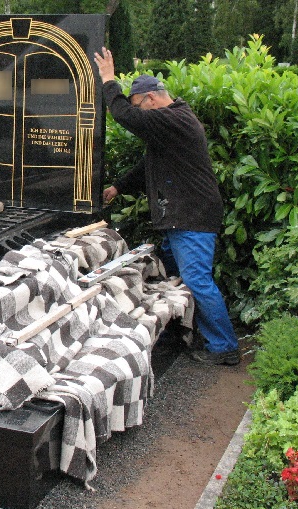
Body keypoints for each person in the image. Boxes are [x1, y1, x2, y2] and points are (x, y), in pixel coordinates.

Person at [93, 47, 240, 366]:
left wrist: (109, 80)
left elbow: (124, 116)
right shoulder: (172, 125)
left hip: (192, 217)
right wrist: (118, 186)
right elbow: (149, 163)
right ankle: (179, 331)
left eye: (138, 107)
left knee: (197, 280)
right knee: (170, 274)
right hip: (180, 217)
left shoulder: (175, 119)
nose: (140, 115)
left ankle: (225, 347)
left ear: (150, 99)